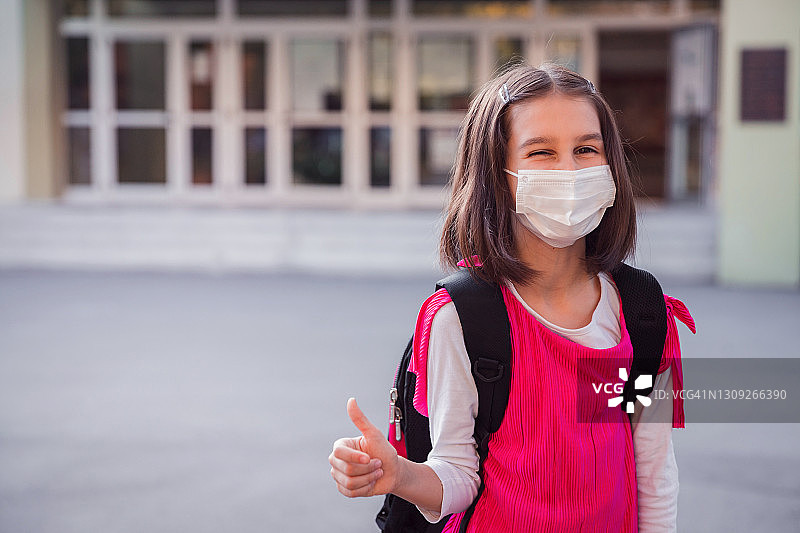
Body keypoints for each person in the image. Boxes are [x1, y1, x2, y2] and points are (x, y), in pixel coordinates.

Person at [328, 63, 695, 532]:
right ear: (496, 175)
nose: (569, 170)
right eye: (541, 152)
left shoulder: (644, 314)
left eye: (586, 149)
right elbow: (458, 475)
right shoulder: (462, 317)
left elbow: (654, 474)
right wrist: (400, 474)